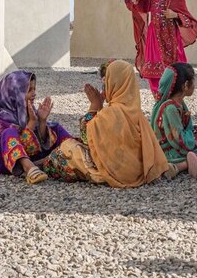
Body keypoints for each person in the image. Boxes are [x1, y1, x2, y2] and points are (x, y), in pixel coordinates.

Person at [39, 59, 171, 187]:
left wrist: (94, 105)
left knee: (67, 148)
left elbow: (86, 137)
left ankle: (41, 164)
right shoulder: (137, 113)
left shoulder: (113, 112)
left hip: (114, 171)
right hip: (135, 170)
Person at [0, 70, 72, 185]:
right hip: (7, 161)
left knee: (55, 127)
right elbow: (21, 144)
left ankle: (75, 150)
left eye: (34, 89)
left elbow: (39, 143)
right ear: (14, 93)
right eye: (29, 90)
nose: (34, 93)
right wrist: (31, 122)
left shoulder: (29, 111)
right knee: (9, 132)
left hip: (32, 155)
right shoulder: (4, 117)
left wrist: (41, 121)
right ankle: (29, 168)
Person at [125, 0, 197, 97]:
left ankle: (175, 98)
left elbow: (188, 18)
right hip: (155, 36)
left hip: (172, 37)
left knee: (177, 70)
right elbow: (137, 5)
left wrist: (175, 15)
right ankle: (158, 99)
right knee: (155, 68)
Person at [151, 63, 197, 175]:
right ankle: (181, 166)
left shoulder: (180, 104)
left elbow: (186, 133)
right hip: (170, 153)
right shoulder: (170, 108)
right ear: (185, 85)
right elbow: (180, 142)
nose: (195, 85)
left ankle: (187, 164)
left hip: (178, 148)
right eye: (193, 81)